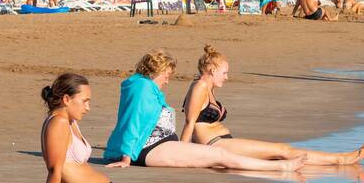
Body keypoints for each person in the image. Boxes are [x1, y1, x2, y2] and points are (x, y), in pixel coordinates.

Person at [24, 74, 289, 183]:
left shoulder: (65, 120)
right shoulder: (57, 123)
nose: (88, 107)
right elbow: (55, 169)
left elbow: (62, 169)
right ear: (67, 99)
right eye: (85, 101)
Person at [105, 52, 307, 171]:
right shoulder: (142, 89)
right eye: (167, 75)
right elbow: (134, 121)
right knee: (219, 155)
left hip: (159, 145)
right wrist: (126, 157)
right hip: (149, 149)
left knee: (218, 155)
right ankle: (281, 167)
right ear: (157, 72)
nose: (168, 79)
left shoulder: (145, 88)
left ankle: (278, 165)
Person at [181, 45, 364, 164]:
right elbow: (190, 122)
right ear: (212, 70)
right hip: (216, 145)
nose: (227, 77)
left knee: (280, 152)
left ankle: (337, 158)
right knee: (282, 150)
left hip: (223, 143)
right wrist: (181, 153)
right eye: (224, 73)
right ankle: (339, 159)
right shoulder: (200, 87)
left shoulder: (207, 87)